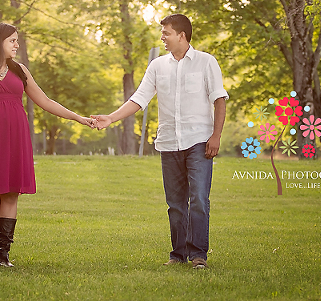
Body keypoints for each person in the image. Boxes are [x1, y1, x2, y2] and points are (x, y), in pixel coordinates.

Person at [92, 14, 227, 269]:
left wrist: (216, 136)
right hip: (169, 143)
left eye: (166, 33)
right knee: (175, 204)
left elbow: (219, 100)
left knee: (198, 198)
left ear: (182, 35)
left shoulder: (206, 62)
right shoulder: (157, 66)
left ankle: (198, 255)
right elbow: (140, 98)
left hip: (199, 141)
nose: (163, 38)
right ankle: (177, 254)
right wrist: (111, 118)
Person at [0, 22, 95, 267]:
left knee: (11, 194)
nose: (16, 44)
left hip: (15, 138)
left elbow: (45, 101)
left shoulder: (20, 71)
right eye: (12, 40)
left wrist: (78, 117)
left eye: (17, 40)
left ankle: (4, 257)